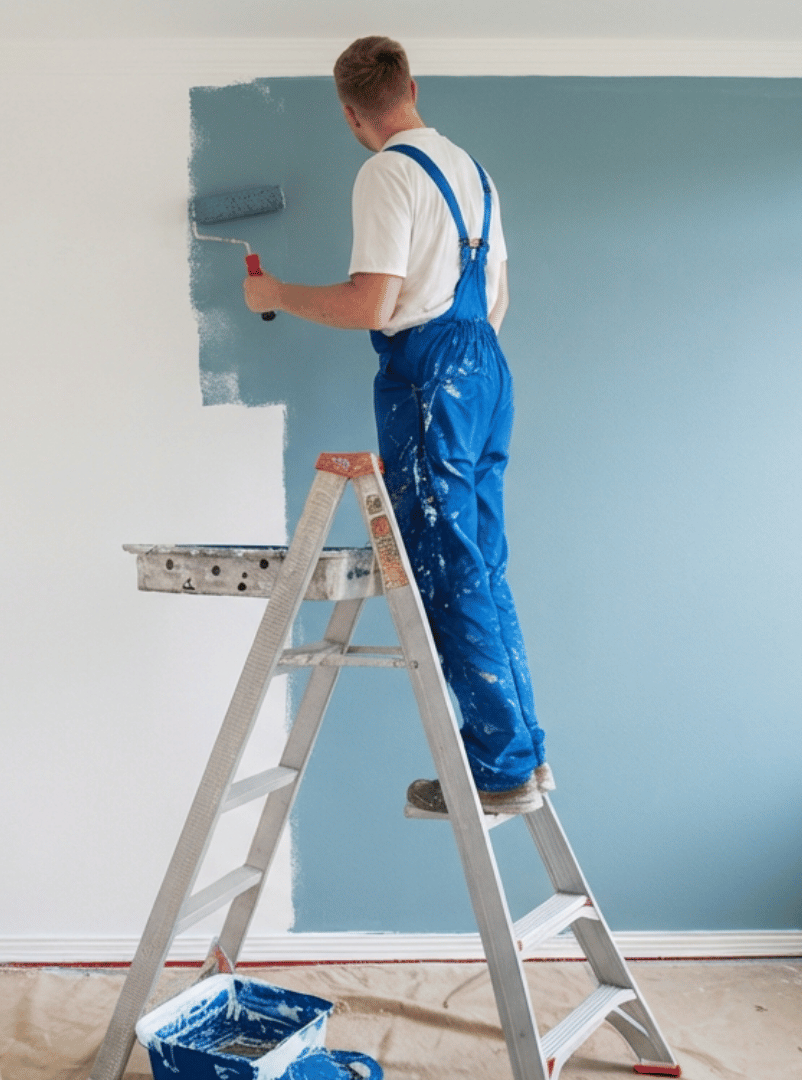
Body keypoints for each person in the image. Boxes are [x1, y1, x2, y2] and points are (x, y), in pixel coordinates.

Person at [242, 36, 551, 816]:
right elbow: (497, 295)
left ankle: (497, 772)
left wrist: (275, 291)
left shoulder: (386, 172)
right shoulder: (473, 173)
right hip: (485, 367)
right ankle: (523, 754)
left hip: (432, 375)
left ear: (351, 115)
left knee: (445, 570)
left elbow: (371, 306)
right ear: (412, 86)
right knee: (483, 564)